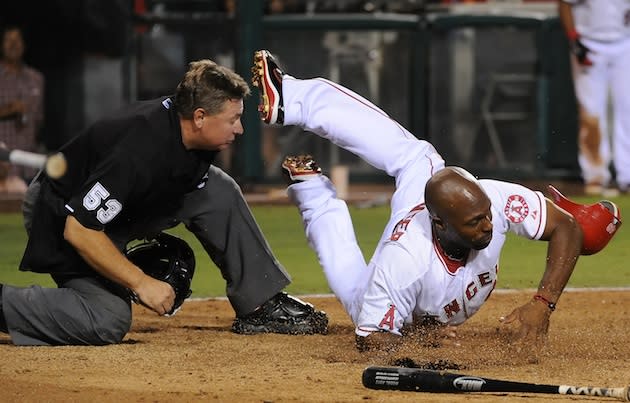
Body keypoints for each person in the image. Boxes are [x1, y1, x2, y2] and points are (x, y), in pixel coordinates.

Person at [251, 49, 622, 352]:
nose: (489, 224)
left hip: (428, 225)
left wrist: (543, 303)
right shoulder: (404, 260)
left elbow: (567, 228)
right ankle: (312, 189)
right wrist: (415, 338)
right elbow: (373, 341)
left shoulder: (489, 200)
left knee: (419, 158)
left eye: (486, 215)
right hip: (405, 273)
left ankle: (299, 131)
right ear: (441, 222)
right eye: (477, 221)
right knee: (354, 286)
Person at [0, 59, 327, 346]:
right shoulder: (139, 151)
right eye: (232, 119)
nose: (240, 129)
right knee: (107, 318)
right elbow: (80, 229)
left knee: (218, 189)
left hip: (120, 205)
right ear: (200, 117)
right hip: (61, 213)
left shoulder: (187, 130)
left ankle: (260, 304)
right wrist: (140, 281)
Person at [558, 0, 630, 195]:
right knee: (591, 111)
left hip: (625, 41)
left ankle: (627, 176)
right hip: (589, 41)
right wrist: (573, 39)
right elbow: (564, 4)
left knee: (628, 110)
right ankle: (595, 176)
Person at [0, 25, 44, 182]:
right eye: (8, 40)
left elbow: (39, 120)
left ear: (24, 44)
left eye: (17, 40)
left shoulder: (36, 78)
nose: (13, 44)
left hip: (29, 167)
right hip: (3, 167)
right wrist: (7, 110)